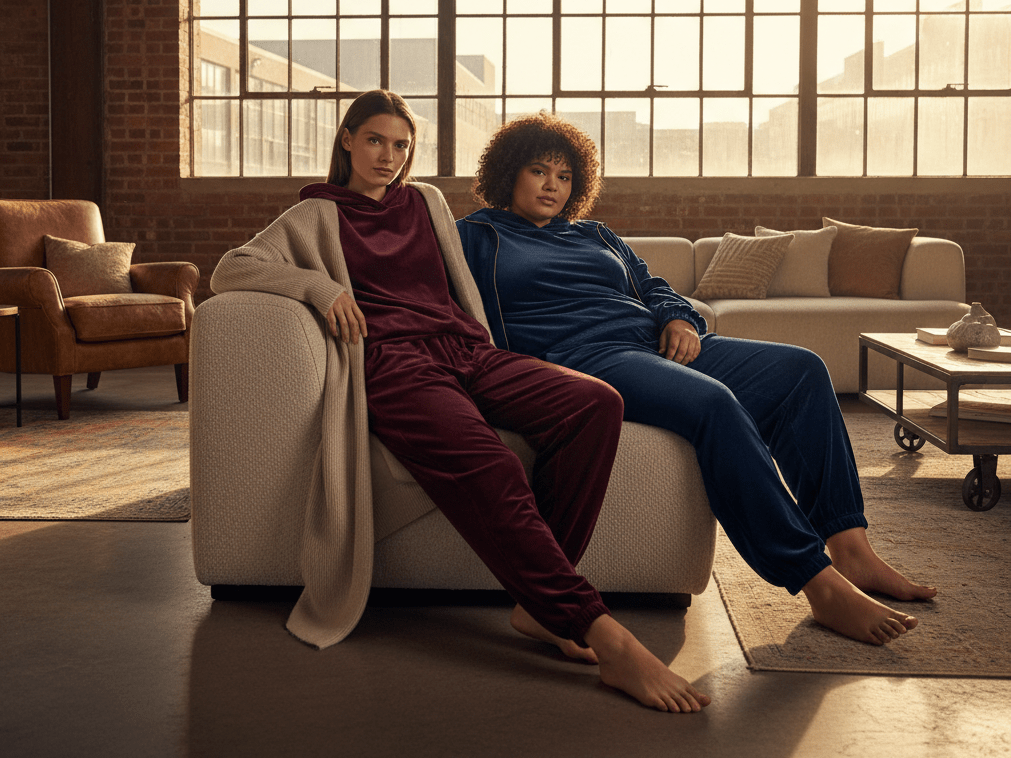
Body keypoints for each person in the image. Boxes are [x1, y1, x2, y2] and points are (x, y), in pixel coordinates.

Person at [210, 90, 711, 713]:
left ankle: (539, 606)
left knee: (595, 405)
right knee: (493, 465)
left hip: (466, 351)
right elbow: (230, 269)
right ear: (346, 140)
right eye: (374, 141)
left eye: (401, 145)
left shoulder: (426, 202)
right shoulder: (312, 216)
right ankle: (600, 631)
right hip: (393, 366)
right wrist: (315, 285)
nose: (388, 156)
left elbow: (462, 288)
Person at [457, 112, 938, 647]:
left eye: (565, 176)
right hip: (584, 356)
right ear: (507, 174)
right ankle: (815, 582)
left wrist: (680, 317)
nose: (553, 185)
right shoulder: (476, 237)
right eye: (538, 171)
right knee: (714, 403)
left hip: (654, 341)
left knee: (802, 369)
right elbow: (438, 305)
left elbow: (653, 285)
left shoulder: (595, 234)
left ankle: (852, 550)